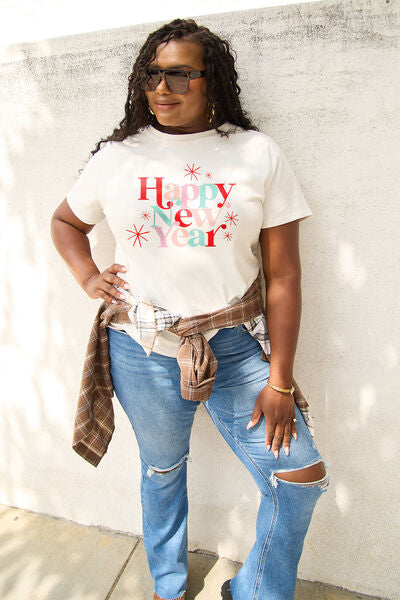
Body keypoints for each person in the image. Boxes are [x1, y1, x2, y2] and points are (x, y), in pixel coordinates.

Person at [50, 17, 329, 600]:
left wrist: (279, 379)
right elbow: (66, 222)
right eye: (152, 74)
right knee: (163, 469)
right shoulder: (117, 158)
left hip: (235, 345)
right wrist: (89, 277)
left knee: (298, 476)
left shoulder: (255, 153)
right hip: (143, 347)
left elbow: (283, 274)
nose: (162, 88)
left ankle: (254, 591)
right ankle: (169, 586)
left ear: (211, 82)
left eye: (180, 75)